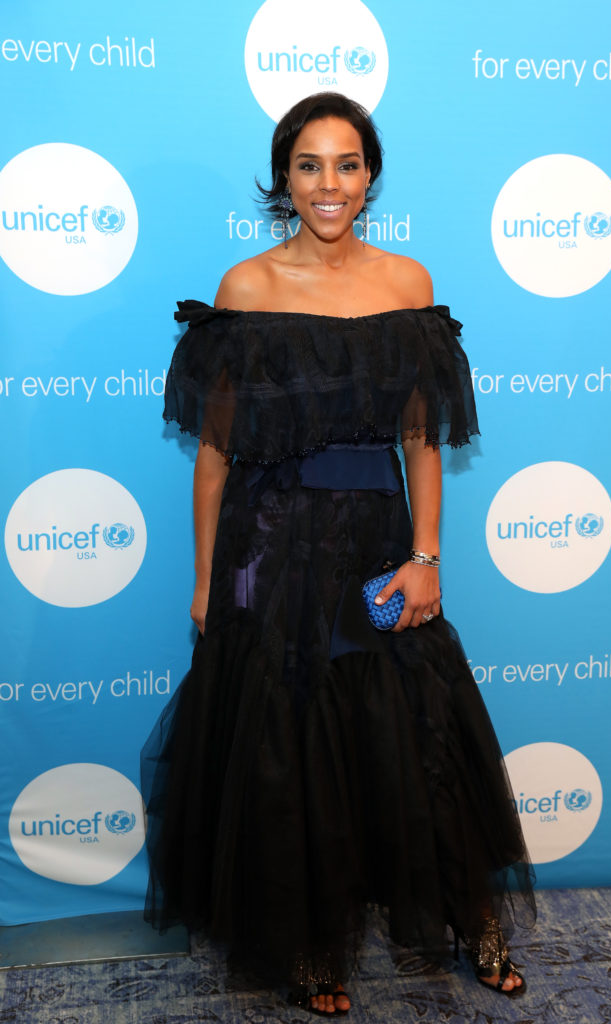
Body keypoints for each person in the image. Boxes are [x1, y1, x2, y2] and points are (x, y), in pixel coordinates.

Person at [142, 91, 535, 1016]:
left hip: (374, 548)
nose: (329, 184)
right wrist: (205, 583)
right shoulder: (244, 289)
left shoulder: (407, 283)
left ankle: (470, 925)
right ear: (283, 178)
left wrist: (427, 558)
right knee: (287, 751)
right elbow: (214, 457)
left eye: (346, 164)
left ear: (370, 178)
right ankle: (311, 945)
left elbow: (421, 442)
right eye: (309, 164)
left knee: (417, 736)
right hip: (268, 551)